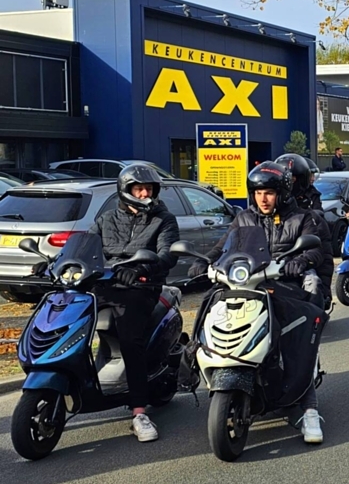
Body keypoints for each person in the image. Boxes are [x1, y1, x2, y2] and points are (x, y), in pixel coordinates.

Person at [189, 161, 327, 442]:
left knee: (295, 340)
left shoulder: (303, 218)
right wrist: (203, 263)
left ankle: (310, 409)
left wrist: (298, 262)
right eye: (258, 192)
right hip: (248, 284)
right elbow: (223, 247)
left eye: (270, 192)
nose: (263, 198)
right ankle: (195, 354)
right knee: (210, 302)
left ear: (283, 193)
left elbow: (316, 251)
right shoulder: (243, 219)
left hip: (284, 285)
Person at [90, 164, 180, 443]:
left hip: (141, 287)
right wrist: (56, 263)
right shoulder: (106, 219)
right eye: (138, 188)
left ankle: (139, 411)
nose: (144, 193)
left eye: (149, 189)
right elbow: (87, 246)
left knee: (131, 339)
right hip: (106, 285)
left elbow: (167, 255)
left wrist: (143, 270)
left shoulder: (163, 219)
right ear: (125, 190)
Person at [276, 153, 335, 305]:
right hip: (269, 263)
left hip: (298, 261)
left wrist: (325, 290)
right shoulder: (256, 213)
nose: (264, 198)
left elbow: (323, 252)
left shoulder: (310, 215)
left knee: (313, 282)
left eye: (293, 179)